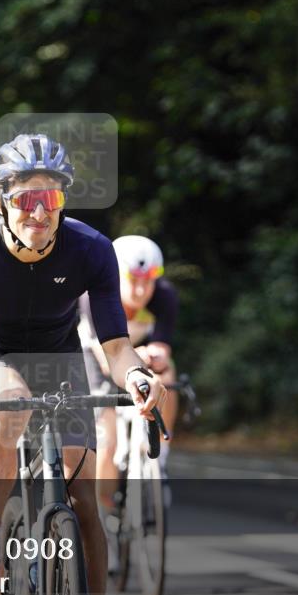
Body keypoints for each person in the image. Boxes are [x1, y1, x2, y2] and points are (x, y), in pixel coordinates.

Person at [0, 133, 166, 595]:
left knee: (85, 504)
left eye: (51, 199)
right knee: (11, 404)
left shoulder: (92, 250)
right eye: (25, 199)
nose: (39, 212)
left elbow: (117, 347)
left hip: (59, 358)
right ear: (2, 202)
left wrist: (138, 376)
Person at [78, 236, 180, 570]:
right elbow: (108, 362)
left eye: (147, 282)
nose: (140, 291)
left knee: (169, 375)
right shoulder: (95, 297)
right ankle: (105, 514)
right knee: (108, 442)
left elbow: (163, 346)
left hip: (137, 359)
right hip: (98, 360)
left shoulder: (164, 297)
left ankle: (160, 453)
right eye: (133, 282)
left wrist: (158, 357)